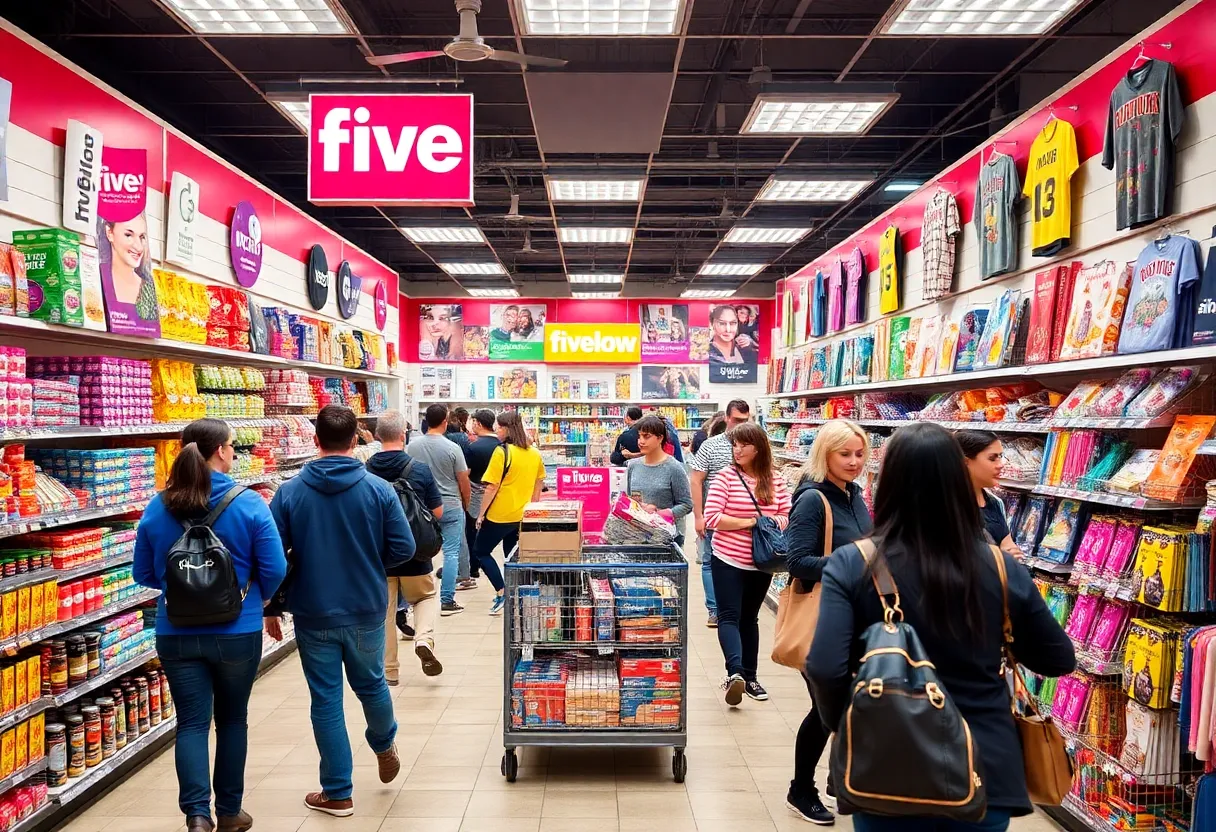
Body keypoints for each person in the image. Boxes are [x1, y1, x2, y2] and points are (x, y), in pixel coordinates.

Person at [806, 423, 1077, 832]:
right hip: (983, 764)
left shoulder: (852, 563)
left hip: (886, 763)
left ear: (887, 481)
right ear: (958, 477)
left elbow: (825, 667)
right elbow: (1058, 658)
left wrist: (846, 724)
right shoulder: (999, 567)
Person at [134, 419, 287, 832]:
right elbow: (275, 566)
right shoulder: (250, 503)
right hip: (238, 630)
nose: (235, 453)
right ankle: (230, 811)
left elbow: (143, 573)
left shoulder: (158, 505)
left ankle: (197, 816)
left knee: (192, 722)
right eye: (233, 447)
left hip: (175, 631)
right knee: (233, 719)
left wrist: (180, 586)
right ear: (220, 450)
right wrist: (259, 596)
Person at [268, 405, 415, 817]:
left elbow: (273, 556)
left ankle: (337, 792)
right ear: (356, 441)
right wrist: (370, 563)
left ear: (315, 440)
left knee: (326, 700)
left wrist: (272, 603)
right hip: (367, 605)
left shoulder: (290, 493)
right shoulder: (378, 490)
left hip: (314, 611)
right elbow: (404, 548)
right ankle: (384, 743)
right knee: (371, 685)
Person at [784, 420, 873, 825]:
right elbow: (797, 561)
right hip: (822, 621)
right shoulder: (812, 499)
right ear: (825, 454)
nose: (854, 462)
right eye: (845, 454)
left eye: (859, 454)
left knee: (850, 706)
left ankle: (843, 782)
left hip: (855, 618)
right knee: (825, 709)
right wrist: (854, 563)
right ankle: (801, 790)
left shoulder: (854, 495)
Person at [704, 421, 791, 706]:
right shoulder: (726, 477)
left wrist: (767, 522)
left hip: (761, 561)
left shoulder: (775, 479)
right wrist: (754, 522)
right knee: (728, 616)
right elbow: (713, 518)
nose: (737, 450)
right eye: (735, 445)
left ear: (759, 448)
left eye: (744, 445)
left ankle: (750, 678)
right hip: (727, 558)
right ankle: (736, 673)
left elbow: (787, 515)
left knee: (749, 618)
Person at [365, 410, 445, 681]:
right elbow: (437, 512)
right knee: (425, 597)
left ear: (377, 435)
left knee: (385, 611)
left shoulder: (364, 471)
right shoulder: (419, 470)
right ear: (403, 435)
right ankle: (423, 638)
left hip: (378, 555)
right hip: (415, 552)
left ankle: (390, 671)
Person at [472, 411, 546, 615]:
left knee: (481, 551)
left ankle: (502, 591)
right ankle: (519, 595)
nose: (497, 430)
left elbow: (491, 487)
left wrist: (481, 514)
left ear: (507, 429)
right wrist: (533, 506)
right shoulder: (534, 453)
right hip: (521, 514)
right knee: (512, 555)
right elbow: (539, 482)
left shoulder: (502, 452)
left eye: (500, 427)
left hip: (499, 514)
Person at [690, 399, 751, 628]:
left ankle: (736, 607)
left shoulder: (755, 444)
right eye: (735, 420)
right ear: (726, 418)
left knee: (740, 563)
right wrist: (699, 516)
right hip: (714, 518)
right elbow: (696, 481)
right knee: (709, 562)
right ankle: (714, 610)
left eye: (744, 421)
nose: (739, 425)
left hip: (744, 520)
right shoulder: (710, 446)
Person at [406, 403, 472, 616]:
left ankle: (414, 599)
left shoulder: (412, 447)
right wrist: (465, 504)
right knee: (451, 553)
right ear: (445, 422)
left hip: (421, 506)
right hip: (451, 505)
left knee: (418, 551)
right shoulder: (453, 448)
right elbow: (464, 481)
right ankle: (447, 601)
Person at [626, 415, 693, 545]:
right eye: (639, 436)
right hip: (639, 537)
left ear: (660, 438)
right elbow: (632, 498)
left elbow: (687, 505)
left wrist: (660, 513)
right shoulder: (633, 466)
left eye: (646, 436)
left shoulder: (674, 467)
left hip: (667, 539)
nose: (640, 441)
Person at [958, 429, 1023, 557]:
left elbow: (1010, 548)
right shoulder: (948, 507)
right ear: (966, 463)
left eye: (1000, 456)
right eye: (992, 458)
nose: (1001, 464)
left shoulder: (995, 503)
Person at [461, 409, 501, 589]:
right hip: (498, 495)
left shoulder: (473, 447)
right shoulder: (502, 445)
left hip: (476, 495)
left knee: (472, 532)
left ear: (477, 423)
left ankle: (474, 566)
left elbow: (466, 474)